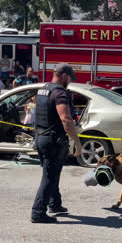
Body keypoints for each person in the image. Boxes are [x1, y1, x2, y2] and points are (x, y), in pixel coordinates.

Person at [31, 63, 82, 224]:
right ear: (64, 76)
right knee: (49, 176)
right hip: (53, 140)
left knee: (53, 172)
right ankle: (38, 212)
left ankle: (55, 204)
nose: (70, 82)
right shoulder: (59, 93)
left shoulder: (43, 89)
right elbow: (66, 119)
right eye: (70, 79)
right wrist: (77, 142)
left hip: (41, 137)